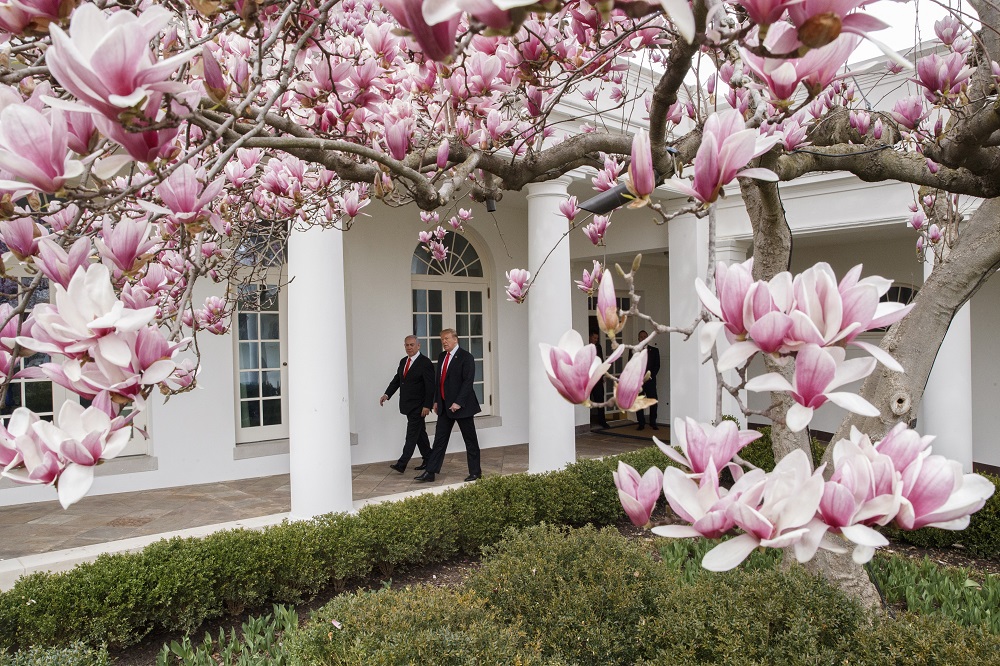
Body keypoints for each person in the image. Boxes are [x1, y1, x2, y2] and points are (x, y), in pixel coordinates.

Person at [415, 328, 483, 483]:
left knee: (470, 440)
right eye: (442, 340)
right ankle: (430, 472)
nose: (444, 342)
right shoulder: (441, 356)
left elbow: (467, 382)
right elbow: (439, 382)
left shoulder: (466, 357)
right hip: (444, 406)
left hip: (463, 407)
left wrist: (458, 402)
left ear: (455, 339)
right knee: (439, 440)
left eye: (446, 339)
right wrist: (437, 400)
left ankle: (475, 472)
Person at [380, 335, 435, 473]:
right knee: (420, 434)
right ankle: (429, 459)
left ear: (418, 346)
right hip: (407, 405)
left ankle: (402, 463)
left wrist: (427, 405)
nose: (409, 347)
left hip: (419, 406)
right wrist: (387, 394)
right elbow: (397, 380)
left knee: (411, 435)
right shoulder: (403, 361)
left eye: (411, 345)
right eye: (406, 345)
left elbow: (430, 386)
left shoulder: (425, 362)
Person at [635, 330, 660, 431]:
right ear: (638, 338)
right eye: (641, 337)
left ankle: (653, 422)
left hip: (650, 381)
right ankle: (641, 423)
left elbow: (657, 366)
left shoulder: (654, 351)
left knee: (653, 401)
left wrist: (649, 376)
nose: (643, 338)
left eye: (645, 336)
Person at [589, 330, 610, 429]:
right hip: (588, 378)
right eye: (594, 338)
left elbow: (601, 361)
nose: (596, 340)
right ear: (590, 337)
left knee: (600, 400)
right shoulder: (586, 347)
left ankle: (602, 421)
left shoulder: (599, 347)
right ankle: (587, 421)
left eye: (597, 338)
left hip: (598, 377)